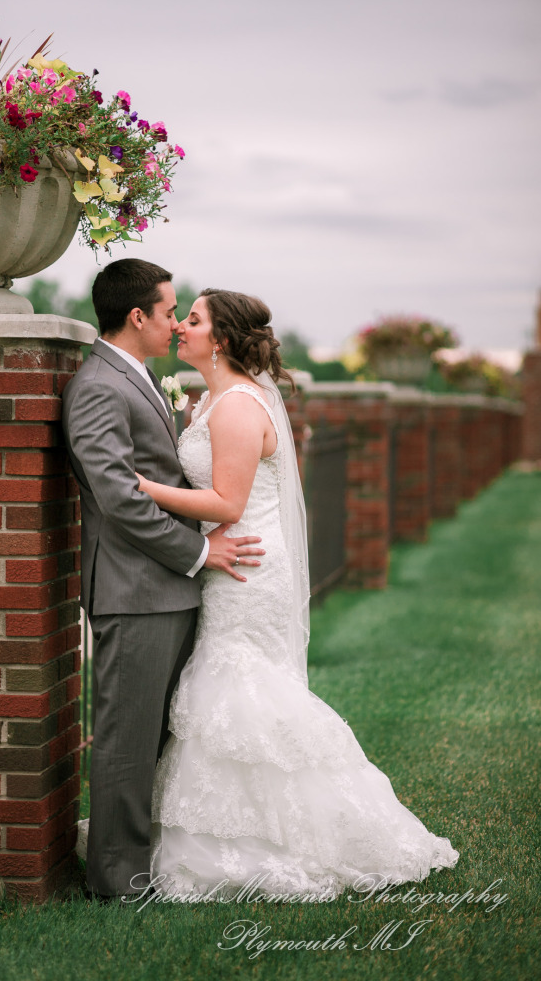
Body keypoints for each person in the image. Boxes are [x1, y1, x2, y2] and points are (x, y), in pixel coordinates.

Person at [136, 287, 460, 898]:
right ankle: (226, 830)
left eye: (194, 319)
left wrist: (143, 488)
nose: (180, 326)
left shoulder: (235, 407)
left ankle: (271, 841)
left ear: (222, 339)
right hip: (229, 558)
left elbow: (228, 503)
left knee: (238, 686)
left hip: (245, 565)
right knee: (227, 686)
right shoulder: (207, 401)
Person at [61, 260, 265, 900]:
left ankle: (142, 858)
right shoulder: (99, 384)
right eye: (171, 310)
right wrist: (199, 553)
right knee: (126, 739)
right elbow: (119, 497)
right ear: (138, 316)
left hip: (164, 588)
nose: (176, 322)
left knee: (156, 737)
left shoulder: (140, 376)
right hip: (136, 591)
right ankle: (118, 880)